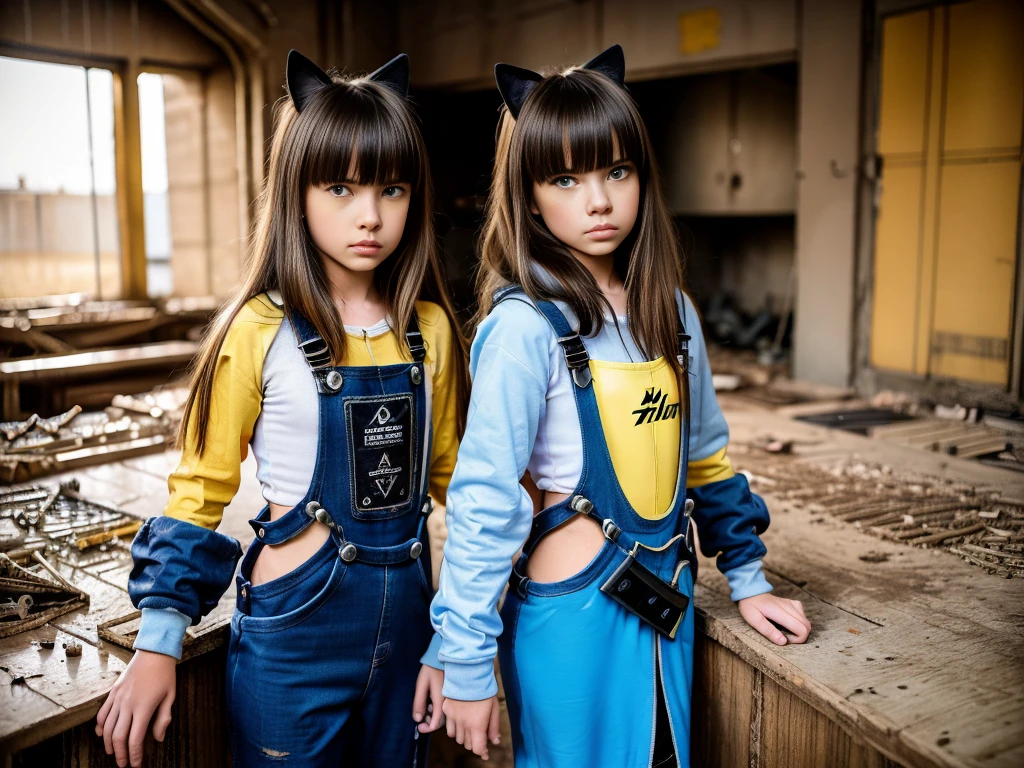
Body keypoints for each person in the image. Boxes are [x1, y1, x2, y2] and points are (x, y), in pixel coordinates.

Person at [431, 45, 812, 766]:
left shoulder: (674, 313)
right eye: (565, 179)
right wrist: (467, 658)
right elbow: (483, 501)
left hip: (667, 607)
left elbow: (706, 460)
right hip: (569, 619)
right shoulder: (522, 328)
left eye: (616, 171)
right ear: (530, 193)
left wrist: (750, 579)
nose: (598, 201)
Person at [95, 49, 467, 768]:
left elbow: (457, 478)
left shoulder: (434, 330)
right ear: (296, 190)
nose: (370, 215)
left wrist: (470, 629)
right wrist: (158, 642)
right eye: (340, 188)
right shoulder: (259, 329)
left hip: (412, 633)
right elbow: (200, 489)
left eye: (391, 189)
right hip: (295, 634)